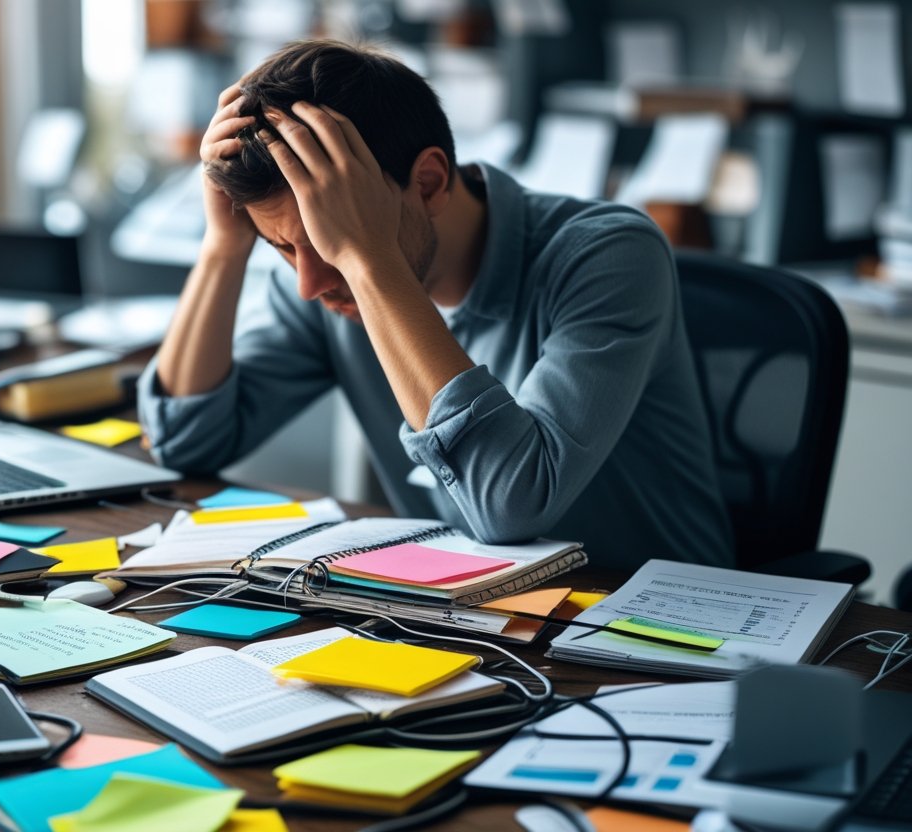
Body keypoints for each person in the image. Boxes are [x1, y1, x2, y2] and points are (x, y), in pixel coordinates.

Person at [137, 39, 733, 570]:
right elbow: (186, 442)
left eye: (328, 244)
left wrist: (369, 260)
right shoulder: (323, 278)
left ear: (427, 184)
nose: (310, 284)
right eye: (283, 248)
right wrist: (224, 248)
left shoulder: (607, 253)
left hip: (661, 636)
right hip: (475, 624)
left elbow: (511, 507)